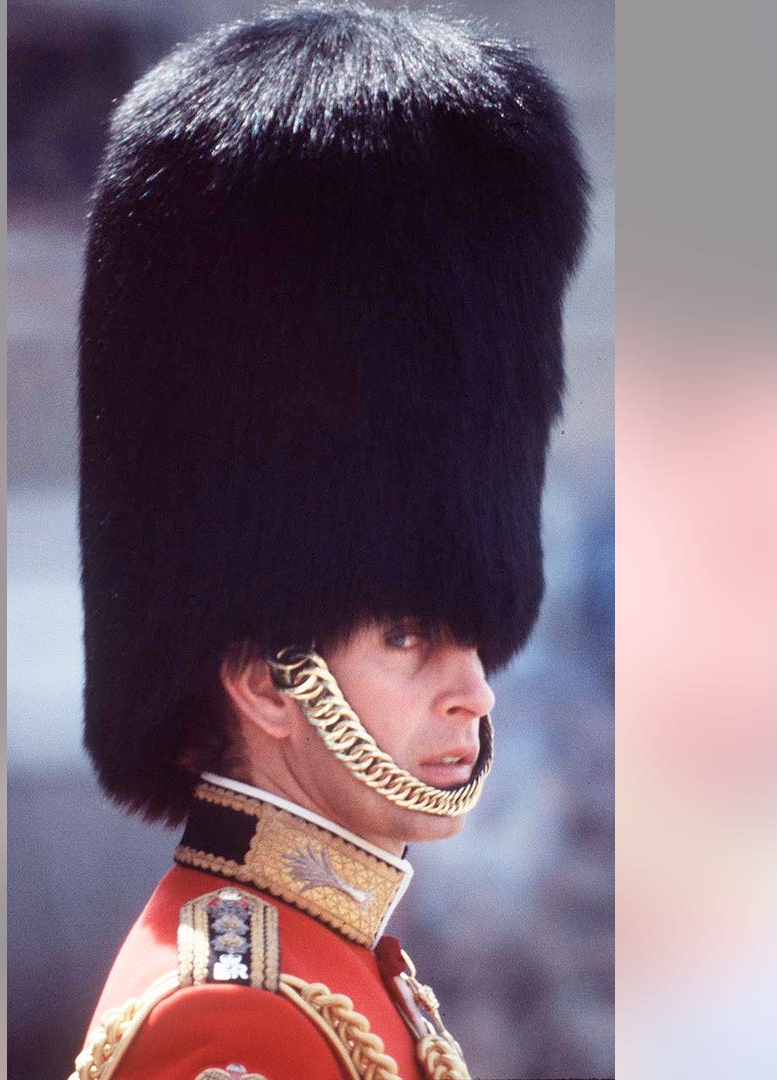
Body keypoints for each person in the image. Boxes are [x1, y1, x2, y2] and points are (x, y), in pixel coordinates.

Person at [66, 3, 587, 1078]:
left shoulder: (336, 965)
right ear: (266, 677)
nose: (475, 692)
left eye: (468, 638)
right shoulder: (236, 1020)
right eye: (408, 637)